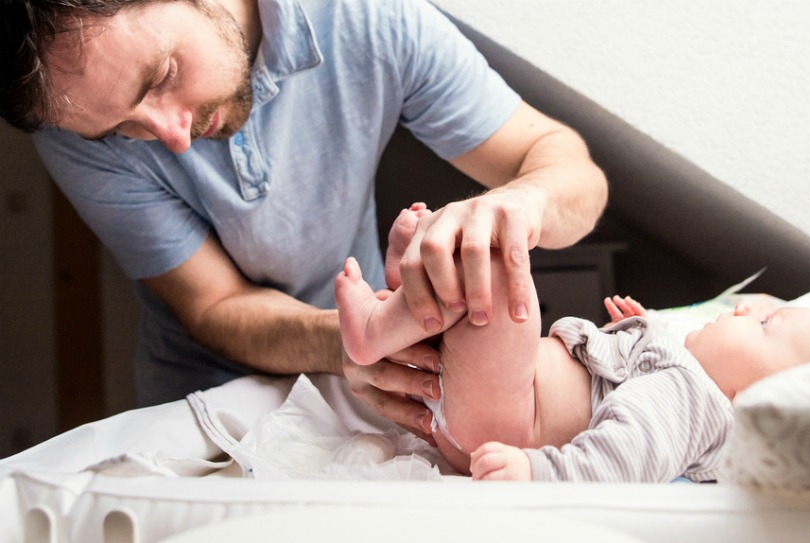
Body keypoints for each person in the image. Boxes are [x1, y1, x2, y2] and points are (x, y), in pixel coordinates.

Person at [0, 0, 607, 435]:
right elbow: (216, 305)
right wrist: (356, 339)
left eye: (162, 77)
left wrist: (522, 204)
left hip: (376, 386)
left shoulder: (368, 18)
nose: (172, 137)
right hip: (205, 401)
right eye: (124, 130)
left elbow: (571, 172)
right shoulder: (72, 128)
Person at [335, 205, 810, 479]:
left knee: (502, 288)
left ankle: (379, 328)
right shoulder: (678, 380)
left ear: (750, 402)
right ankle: (408, 295)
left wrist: (540, 475)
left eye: (766, 326)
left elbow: (619, 459)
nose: (746, 309)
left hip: (514, 420)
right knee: (476, 305)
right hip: (491, 410)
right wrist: (639, 333)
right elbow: (626, 394)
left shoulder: (692, 400)